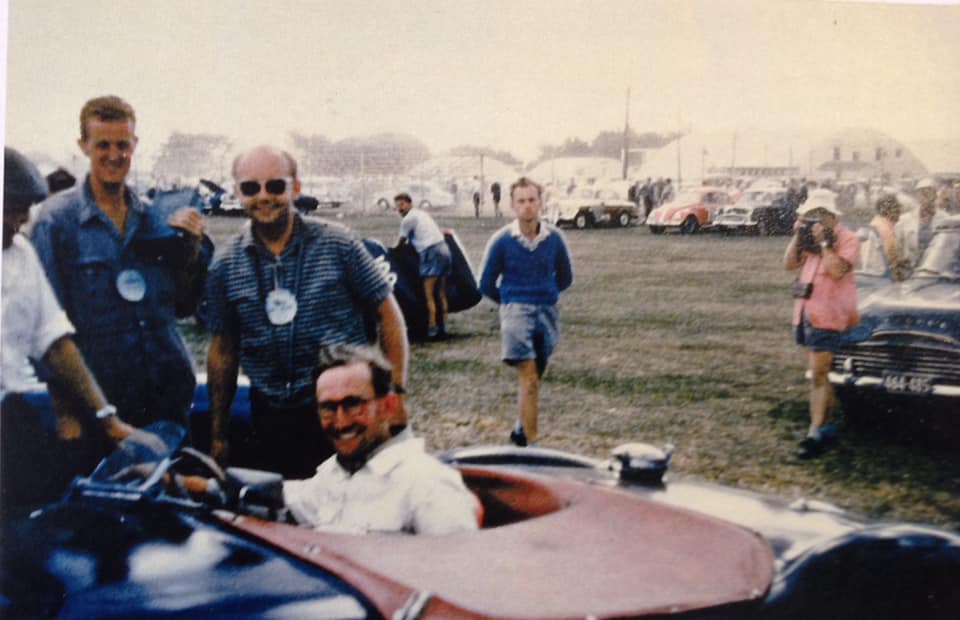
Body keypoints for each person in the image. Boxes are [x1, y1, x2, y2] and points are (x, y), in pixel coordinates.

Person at [205, 145, 408, 479]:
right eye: (251, 188)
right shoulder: (225, 265)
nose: (263, 196)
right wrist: (218, 434)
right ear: (237, 192)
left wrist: (396, 394)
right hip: (270, 416)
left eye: (275, 186)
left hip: (345, 412)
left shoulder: (339, 244)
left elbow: (388, 315)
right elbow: (223, 349)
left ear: (295, 188)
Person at [30, 95, 210, 432]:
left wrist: (191, 248)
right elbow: (46, 329)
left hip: (166, 399)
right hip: (98, 409)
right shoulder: (56, 223)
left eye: (123, 145)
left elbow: (184, 306)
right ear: (83, 146)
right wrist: (66, 414)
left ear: (135, 144)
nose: (115, 156)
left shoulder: (156, 217)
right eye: (103, 145)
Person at [2, 147, 136, 508]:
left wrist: (109, 421)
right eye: (11, 209)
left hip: (12, 417)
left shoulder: (21, 254)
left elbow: (56, 343)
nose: (20, 221)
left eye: (24, 210)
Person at [282, 345, 479, 534]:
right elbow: (280, 497)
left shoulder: (428, 483)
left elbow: (458, 564)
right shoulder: (331, 476)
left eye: (353, 404)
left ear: (388, 406)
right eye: (328, 407)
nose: (340, 422)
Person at [479, 177, 573, 447]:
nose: (527, 206)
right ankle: (532, 447)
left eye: (532, 200)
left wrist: (546, 292)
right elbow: (485, 283)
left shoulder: (554, 238)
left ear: (541, 203)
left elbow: (565, 277)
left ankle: (521, 428)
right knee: (528, 375)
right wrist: (510, 303)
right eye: (521, 201)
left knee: (537, 373)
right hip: (516, 312)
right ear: (512, 205)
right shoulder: (501, 241)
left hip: (547, 311)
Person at [783, 189, 859, 459]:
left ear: (831, 216)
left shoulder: (847, 238)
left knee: (818, 372)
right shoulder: (807, 240)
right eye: (810, 215)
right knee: (819, 372)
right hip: (805, 311)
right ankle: (824, 425)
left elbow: (838, 270)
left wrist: (826, 244)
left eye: (819, 215)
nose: (815, 221)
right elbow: (789, 264)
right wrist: (797, 236)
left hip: (829, 314)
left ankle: (815, 431)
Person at [395, 193, 452, 340]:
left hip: (430, 252)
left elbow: (401, 243)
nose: (399, 209)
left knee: (428, 294)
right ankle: (444, 326)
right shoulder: (421, 214)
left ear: (409, 203)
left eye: (401, 205)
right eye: (397, 206)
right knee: (440, 293)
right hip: (443, 248)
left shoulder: (408, 219)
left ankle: (432, 328)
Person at [894, 178, 947, 277]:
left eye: (929, 194)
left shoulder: (944, 218)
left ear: (935, 196)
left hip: (935, 272)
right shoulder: (904, 220)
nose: (925, 198)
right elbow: (897, 248)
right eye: (922, 194)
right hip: (909, 272)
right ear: (917, 197)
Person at [868, 193, 904, 280]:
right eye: (897, 208)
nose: (900, 212)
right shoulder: (885, 230)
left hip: (870, 274)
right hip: (882, 279)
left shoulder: (874, 223)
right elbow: (892, 261)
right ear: (888, 210)